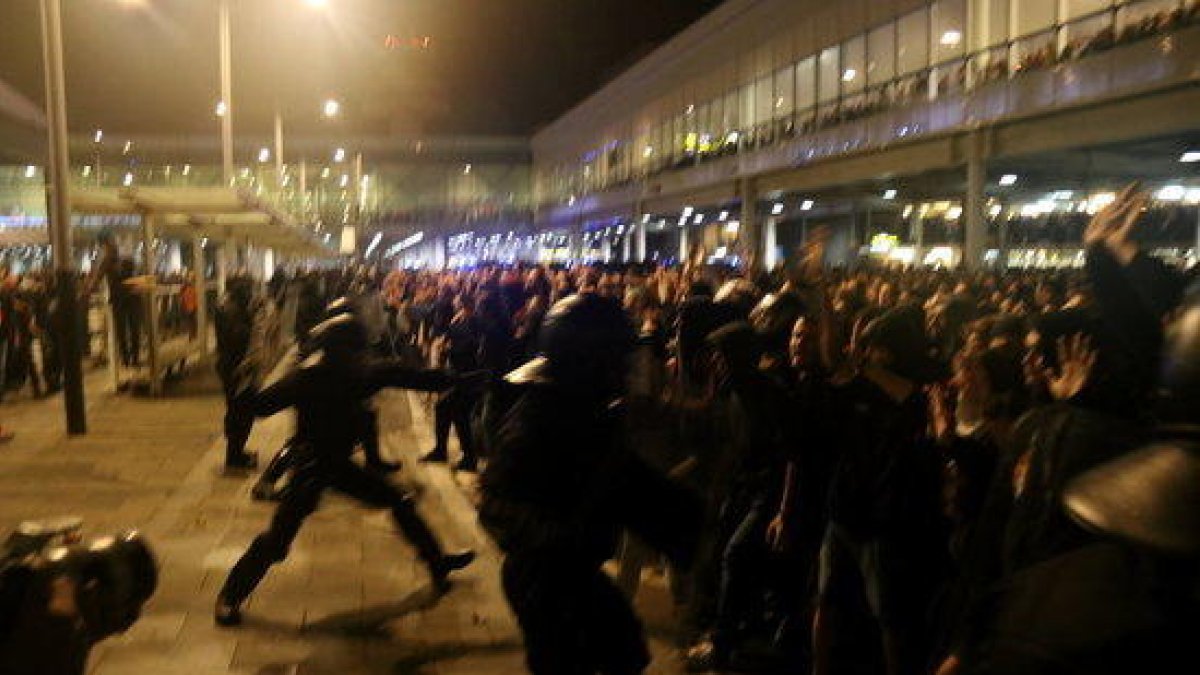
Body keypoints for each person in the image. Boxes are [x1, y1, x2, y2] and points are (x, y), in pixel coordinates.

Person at [480, 292, 702, 674]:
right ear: (590, 361)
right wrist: (552, 535)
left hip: (574, 572)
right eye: (615, 360)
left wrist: (686, 525)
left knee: (627, 652)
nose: (624, 372)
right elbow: (496, 506)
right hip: (544, 579)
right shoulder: (537, 421)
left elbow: (630, 484)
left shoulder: (588, 413)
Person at [215, 314, 476, 627]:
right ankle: (230, 596)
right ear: (344, 349)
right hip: (311, 467)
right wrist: (242, 388)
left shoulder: (347, 373)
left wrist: (455, 380)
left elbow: (405, 376)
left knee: (398, 502)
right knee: (277, 541)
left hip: (336, 464)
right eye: (356, 349)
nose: (361, 355)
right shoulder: (315, 376)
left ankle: (438, 563)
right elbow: (261, 406)